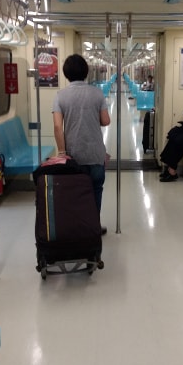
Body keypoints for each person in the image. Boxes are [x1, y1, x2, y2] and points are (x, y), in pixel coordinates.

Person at [52, 54, 111, 233]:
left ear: (66, 73)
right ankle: (94, 227)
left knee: (75, 194)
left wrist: (62, 153)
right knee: (95, 192)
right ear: (86, 72)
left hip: (73, 156)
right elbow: (106, 120)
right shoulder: (97, 93)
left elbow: (57, 126)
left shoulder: (60, 96)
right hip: (95, 154)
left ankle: (77, 230)